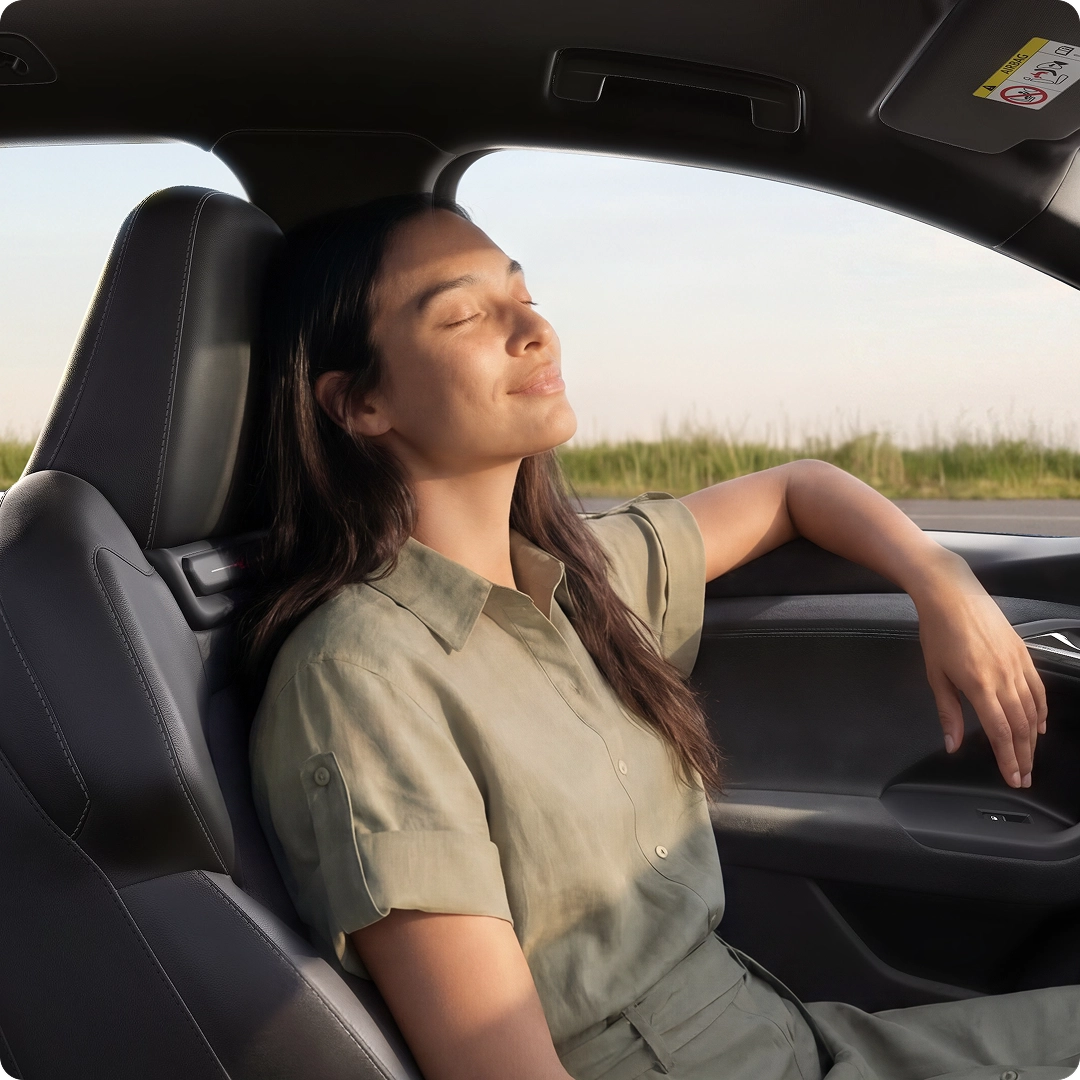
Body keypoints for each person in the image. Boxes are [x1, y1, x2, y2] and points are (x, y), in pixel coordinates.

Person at [245, 193, 1078, 1080]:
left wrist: (938, 578)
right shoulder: (359, 677)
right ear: (360, 404)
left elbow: (796, 488)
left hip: (796, 1040)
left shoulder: (576, 578)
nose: (533, 329)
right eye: (464, 314)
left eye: (523, 294)